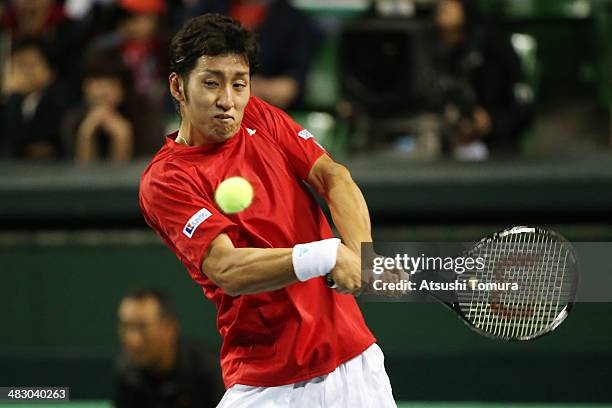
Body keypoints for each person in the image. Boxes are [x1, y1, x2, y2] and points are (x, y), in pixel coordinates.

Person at [139, 14, 397, 407]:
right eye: (211, 83)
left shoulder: (257, 115)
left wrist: (362, 254)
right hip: (269, 385)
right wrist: (327, 255)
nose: (228, 100)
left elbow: (333, 176)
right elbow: (228, 270)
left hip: (356, 369)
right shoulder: (166, 180)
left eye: (238, 84)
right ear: (178, 86)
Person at [433, 0, 533, 159]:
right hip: (455, 148)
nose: (442, 6)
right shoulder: (438, 50)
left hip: (497, 147)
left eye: (450, 3)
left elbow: (523, 107)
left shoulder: (492, 44)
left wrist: (491, 121)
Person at [115, 288, 223, 408]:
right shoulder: (127, 374)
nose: (132, 339)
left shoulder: (210, 369)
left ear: (169, 328)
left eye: (142, 327)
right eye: (125, 327)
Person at [1, 37, 67, 159]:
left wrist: (13, 95)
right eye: (20, 65)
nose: (26, 72)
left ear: (51, 72)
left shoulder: (58, 100)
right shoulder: (9, 101)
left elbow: (37, 140)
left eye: (32, 65)